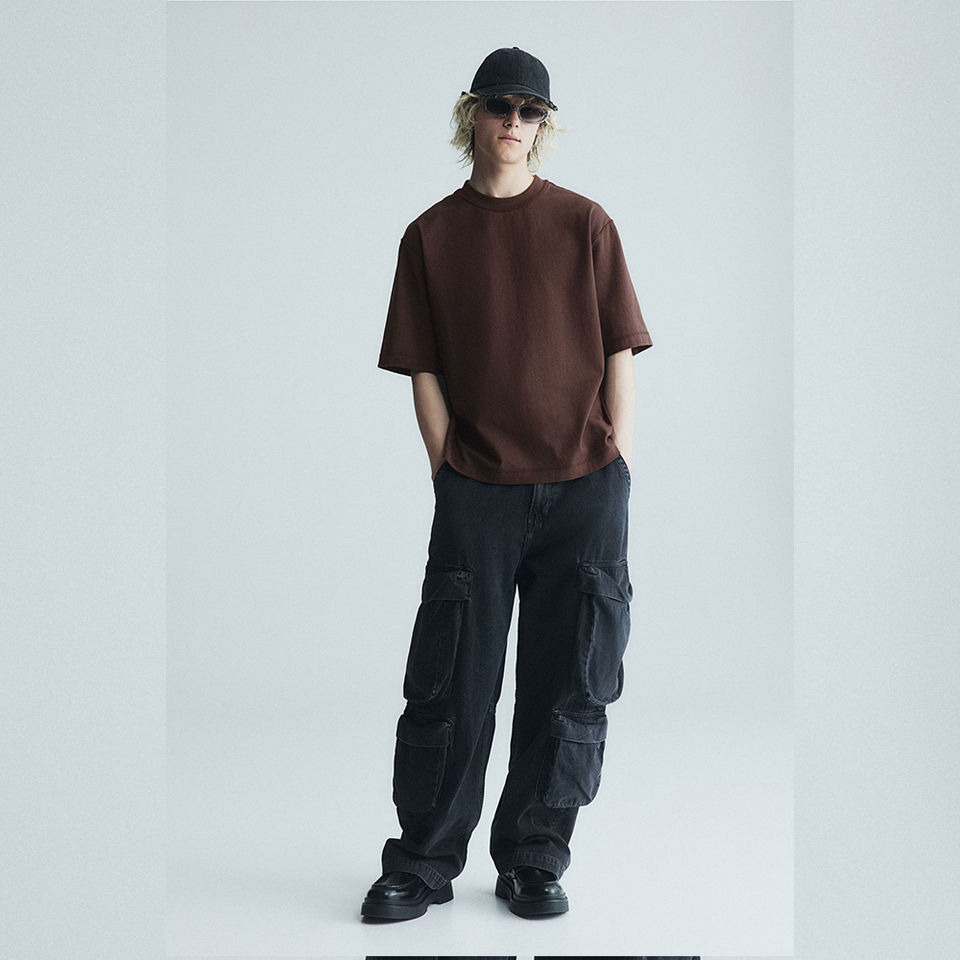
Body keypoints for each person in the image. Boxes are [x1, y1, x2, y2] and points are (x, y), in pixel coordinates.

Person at [361, 46, 653, 922]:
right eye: (500, 107)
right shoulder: (431, 236)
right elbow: (421, 366)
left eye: (531, 111)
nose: (515, 123)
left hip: (584, 488)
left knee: (570, 682)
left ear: (544, 126)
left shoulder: (585, 223)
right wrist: (447, 466)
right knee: (453, 680)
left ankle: (533, 856)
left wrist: (617, 460)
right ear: (473, 116)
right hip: (478, 490)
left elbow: (618, 347)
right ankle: (423, 861)